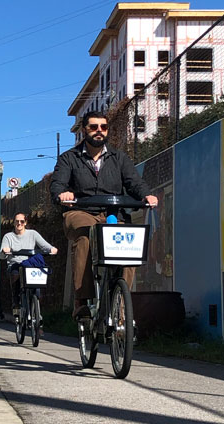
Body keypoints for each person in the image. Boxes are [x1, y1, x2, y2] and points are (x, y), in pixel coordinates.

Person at [50, 111, 158, 319]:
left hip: (112, 213)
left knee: (130, 245)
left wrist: (147, 196)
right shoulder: (69, 158)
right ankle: (82, 299)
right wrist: (62, 194)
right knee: (85, 235)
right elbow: (57, 184)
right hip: (81, 211)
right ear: (84, 130)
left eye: (103, 127)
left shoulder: (119, 158)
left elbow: (134, 182)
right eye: (93, 127)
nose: (99, 131)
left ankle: (121, 303)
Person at [0, 213, 58, 319]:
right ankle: (16, 303)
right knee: (16, 277)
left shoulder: (33, 234)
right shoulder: (8, 236)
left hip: (30, 264)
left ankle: (36, 309)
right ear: (14, 223)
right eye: (17, 221)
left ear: (25, 223)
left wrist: (51, 249)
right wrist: (5, 250)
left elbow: (44, 245)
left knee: (37, 283)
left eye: (22, 221)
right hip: (16, 264)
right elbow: (2, 254)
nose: (19, 223)